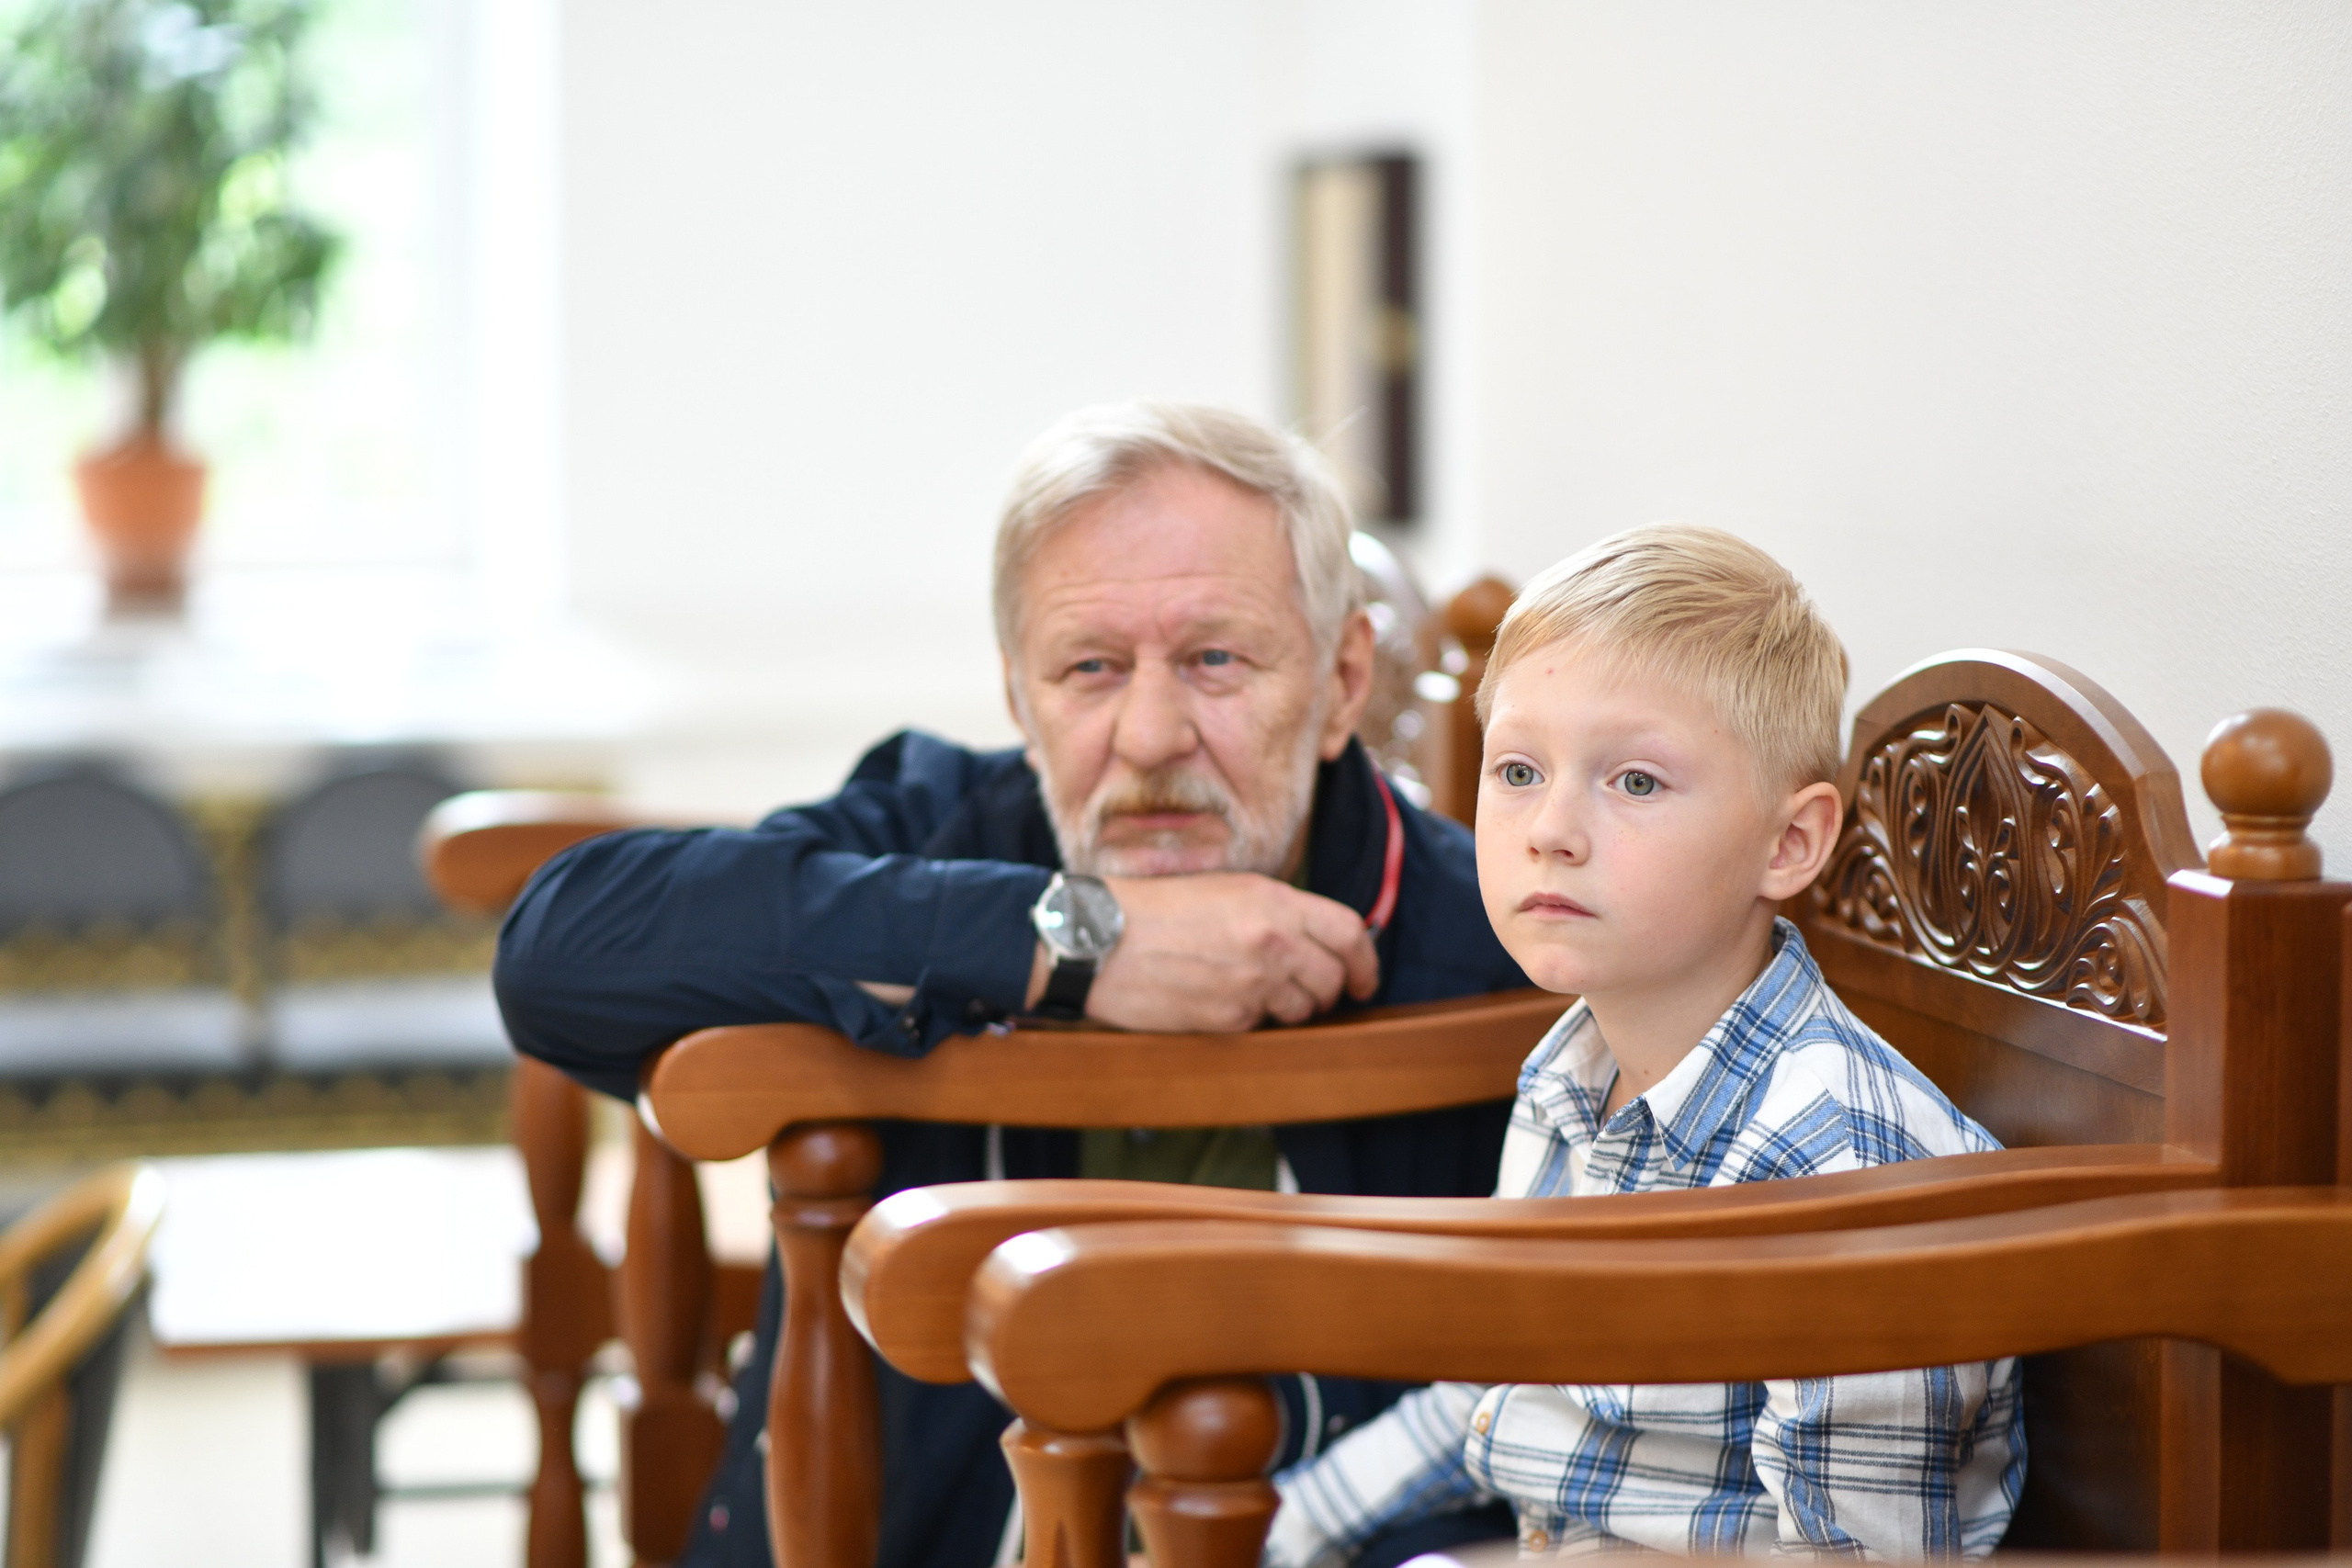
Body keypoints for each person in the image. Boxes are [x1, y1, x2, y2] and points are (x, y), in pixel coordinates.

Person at [492, 403, 1530, 1568]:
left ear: (1343, 682)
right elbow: (554, 951)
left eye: (1215, 660)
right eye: (1088, 669)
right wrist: (1077, 939)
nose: (1148, 736)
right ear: (1017, 700)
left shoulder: (1500, 932)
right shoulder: (945, 826)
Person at [1263, 525, 2026, 1563]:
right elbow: (1495, 1387)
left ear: (1788, 843)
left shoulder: (1832, 1163)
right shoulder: (1567, 1074)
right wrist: (1286, 1528)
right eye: (1519, 770)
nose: (1551, 829)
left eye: (1634, 783)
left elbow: (1854, 1555)